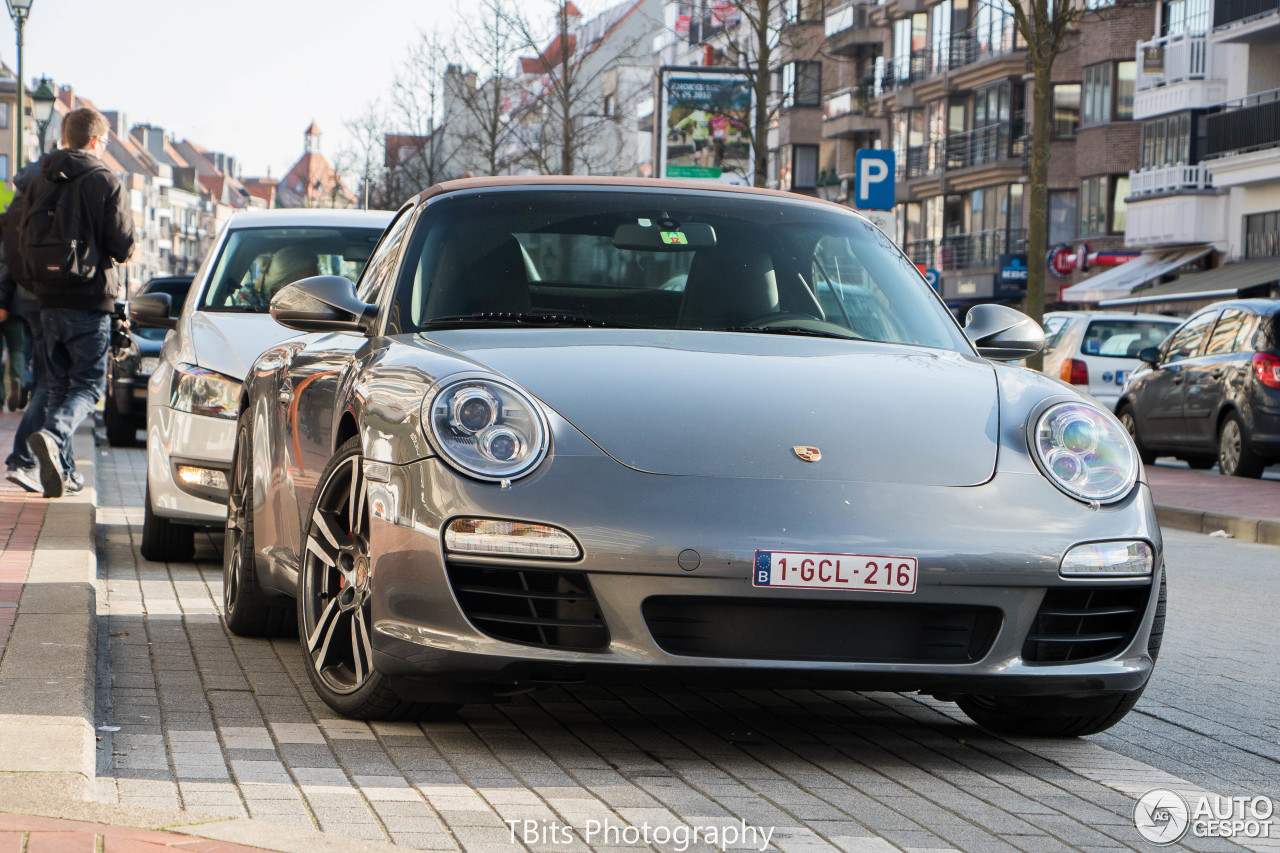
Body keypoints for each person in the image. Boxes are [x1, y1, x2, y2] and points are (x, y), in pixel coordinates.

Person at [24, 108, 135, 498]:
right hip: (89, 299)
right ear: (94, 141)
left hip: (47, 298)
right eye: (105, 142)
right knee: (88, 386)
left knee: (58, 387)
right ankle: (54, 436)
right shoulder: (105, 180)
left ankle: (65, 473)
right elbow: (121, 244)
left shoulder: (39, 179)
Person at [4, 157, 71, 494]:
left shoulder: (14, 209)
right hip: (45, 299)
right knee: (53, 381)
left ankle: (65, 466)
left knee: (45, 373)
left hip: (22, 300)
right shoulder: (44, 205)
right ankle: (20, 458)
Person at [229, 245, 319, 311]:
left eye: (316, 279)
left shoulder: (321, 306)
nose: (316, 286)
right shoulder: (247, 309)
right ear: (282, 284)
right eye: (308, 280)